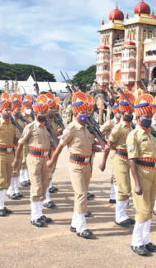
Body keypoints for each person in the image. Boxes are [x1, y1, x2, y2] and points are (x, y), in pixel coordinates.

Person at [46, 92, 101, 239]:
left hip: (87, 165)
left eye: (88, 112)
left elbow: (91, 146)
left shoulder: (86, 128)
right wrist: (52, 161)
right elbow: (60, 146)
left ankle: (75, 222)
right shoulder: (71, 128)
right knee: (81, 194)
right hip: (75, 165)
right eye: (83, 112)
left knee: (81, 195)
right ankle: (82, 227)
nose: (86, 115)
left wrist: (103, 148)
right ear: (76, 113)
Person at [127, 94, 156, 256]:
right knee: (142, 210)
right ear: (138, 117)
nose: (150, 119)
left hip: (154, 173)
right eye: (146, 116)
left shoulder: (151, 133)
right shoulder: (133, 135)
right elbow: (132, 160)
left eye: (150, 116)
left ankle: (146, 240)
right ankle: (136, 242)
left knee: (149, 209)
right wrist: (136, 183)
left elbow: (154, 152)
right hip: (142, 174)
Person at [13, 94, 54, 228]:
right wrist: (16, 159)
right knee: (36, 186)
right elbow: (20, 144)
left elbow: (52, 144)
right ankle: (34, 216)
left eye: (45, 112)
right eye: (41, 112)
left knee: (43, 185)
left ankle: (40, 213)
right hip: (34, 159)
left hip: (45, 158)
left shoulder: (48, 127)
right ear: (36, 113)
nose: (43, 114)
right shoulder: (30, 127)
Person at [102, 91, 136, 228]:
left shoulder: (131, 126)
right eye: (128, 112)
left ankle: (124, 214)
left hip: (130, 158)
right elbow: (108, 145)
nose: (130, 114)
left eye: (131, 112)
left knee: (127, 187)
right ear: (122, 113)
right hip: (120, 157)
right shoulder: (117, 128)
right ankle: (119, 216)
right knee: (123, 187)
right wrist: (103, 161)